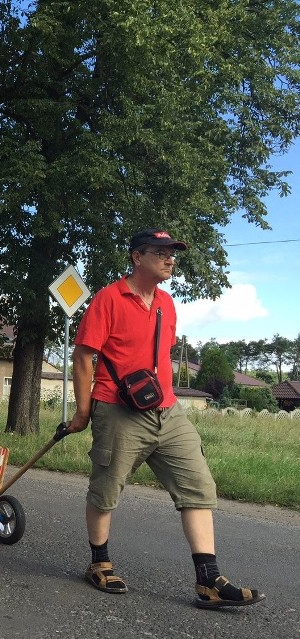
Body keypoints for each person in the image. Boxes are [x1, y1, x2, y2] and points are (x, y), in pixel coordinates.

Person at [67, 228, 264, 609]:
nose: (170, 258)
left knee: (198, 485)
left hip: (168, 410)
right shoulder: (108, 299)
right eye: (160, 252)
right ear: (137, 257)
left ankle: (208, 580)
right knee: (106, 489)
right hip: (118, 410)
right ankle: (99, 563)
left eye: (172, 252)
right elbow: (83, 357)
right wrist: (83, 411)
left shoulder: (167, 304)